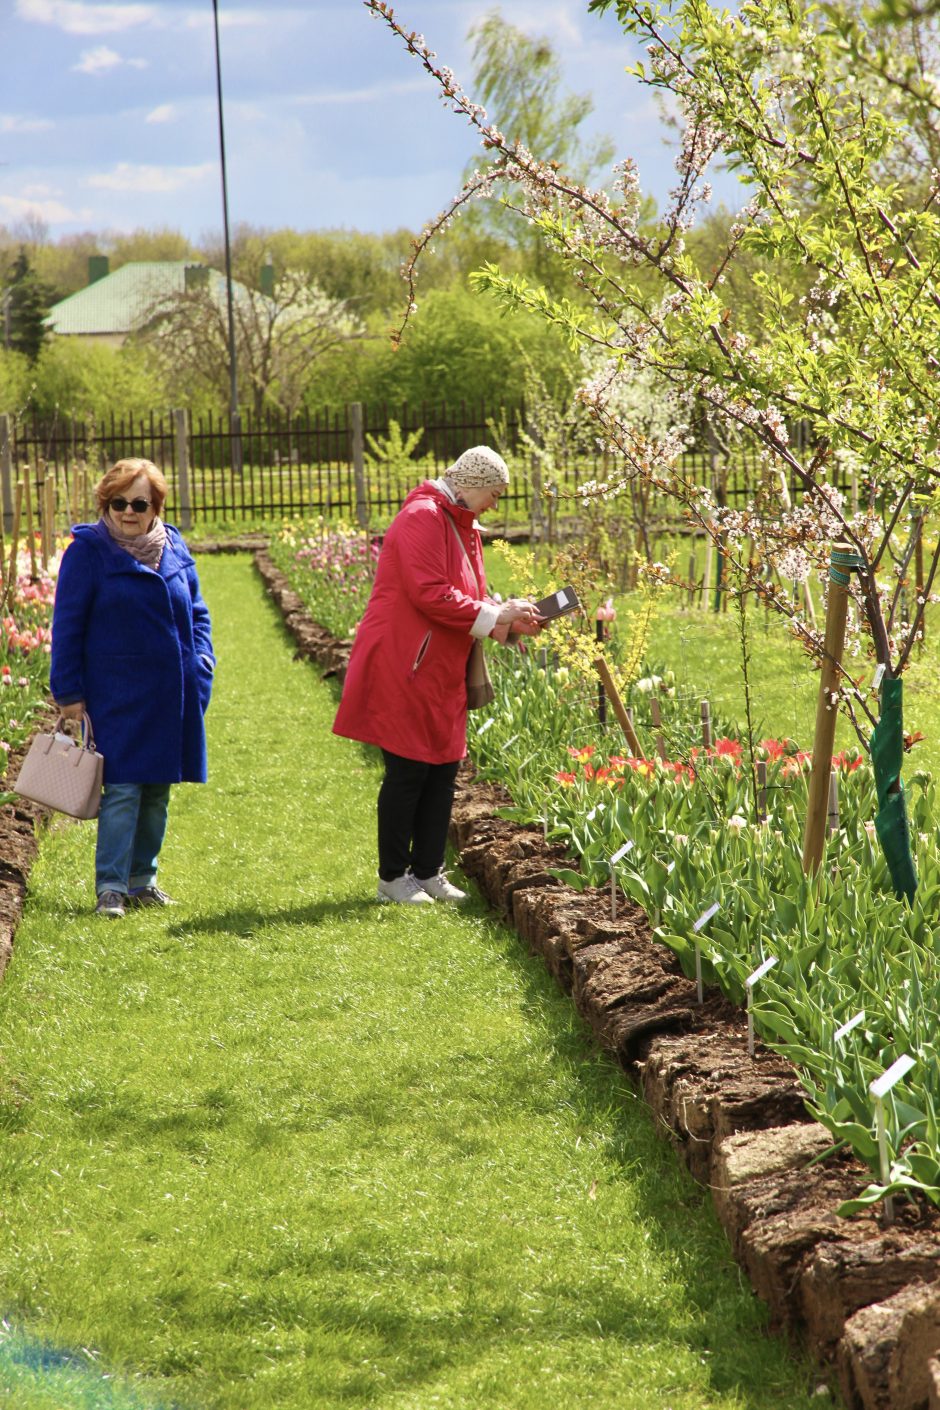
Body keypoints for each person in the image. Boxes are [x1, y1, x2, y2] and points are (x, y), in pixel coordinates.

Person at [333, 445, 542, 905]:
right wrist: (496, 613)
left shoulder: (459, 522)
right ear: (470, 484)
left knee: (443, 770)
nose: (495, 503)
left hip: (441, 664)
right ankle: (393, 877)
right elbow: (431, 594)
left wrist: (506, 621)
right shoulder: (423, 517)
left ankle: (428, 872)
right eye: (494, 493)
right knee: (408, 771)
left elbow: (469, 597)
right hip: (406, 662)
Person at [50, 457, 215, 919]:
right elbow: (67, 627)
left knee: (158, 789)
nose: (128, 511)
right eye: (118, 502)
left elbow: (198, 613)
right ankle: (111, 887)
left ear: (155, 506)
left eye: (139, 502)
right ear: (106, 503)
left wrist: (202, 665)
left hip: (171, 693)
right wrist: (68, 693)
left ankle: (144, 880)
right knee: (122, 789)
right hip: (115, 693)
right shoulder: (88, 552)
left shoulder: (174, 546)